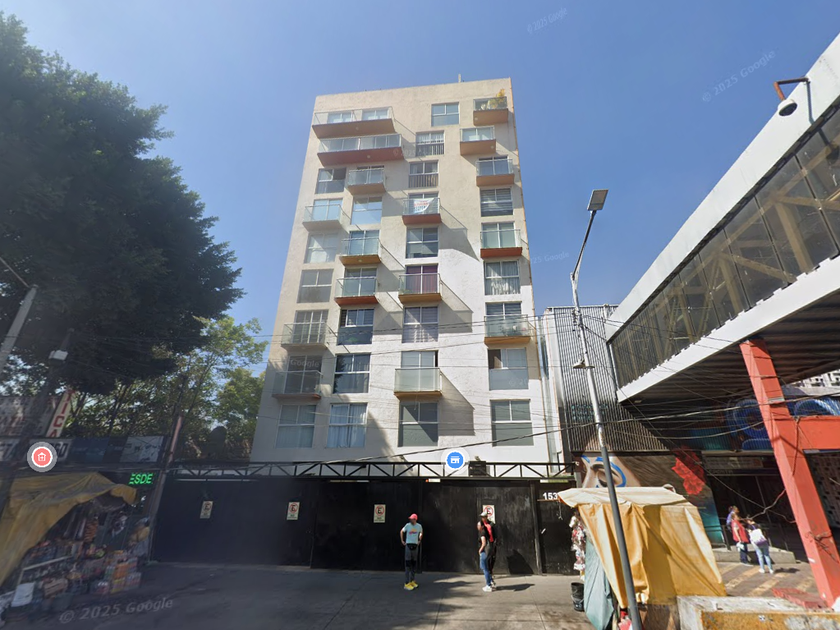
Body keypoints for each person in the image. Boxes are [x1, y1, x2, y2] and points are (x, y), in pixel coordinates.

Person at [400, 513, 423, 591]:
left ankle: (412, 581)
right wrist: (402, 541)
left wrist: (419, 539)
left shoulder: (419, 526)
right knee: (407, 564)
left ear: (415, 519)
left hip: (415, 546)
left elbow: (421, 532)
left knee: (413, 564)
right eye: (410, 519)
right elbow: (401, 531)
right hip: (408, 546)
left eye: (412, 519)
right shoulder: (407, 525)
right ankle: (406, 583)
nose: (410, 520)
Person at [479, 510, 497, 588]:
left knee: (486, 565)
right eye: (482, 517)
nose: (482, 518)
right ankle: (490, 580)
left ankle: (489, 583)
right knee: (486, 565)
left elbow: (491, 537)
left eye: (483, 517)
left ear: (486, 517)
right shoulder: (483, 524)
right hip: (488, 546)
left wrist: (481, 549)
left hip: (488, 546)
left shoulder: (489, 525)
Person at [477, 521, 494, 592]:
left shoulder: (482, 533)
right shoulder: (485, 532)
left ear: (482, 526)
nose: (477, 527)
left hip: (484, 552)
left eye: (478, 525)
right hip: (487, 552)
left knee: (485, 569)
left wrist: (480, 550)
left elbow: (483, 543)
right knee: (485, 567)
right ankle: (491, 581)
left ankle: (488, 585)